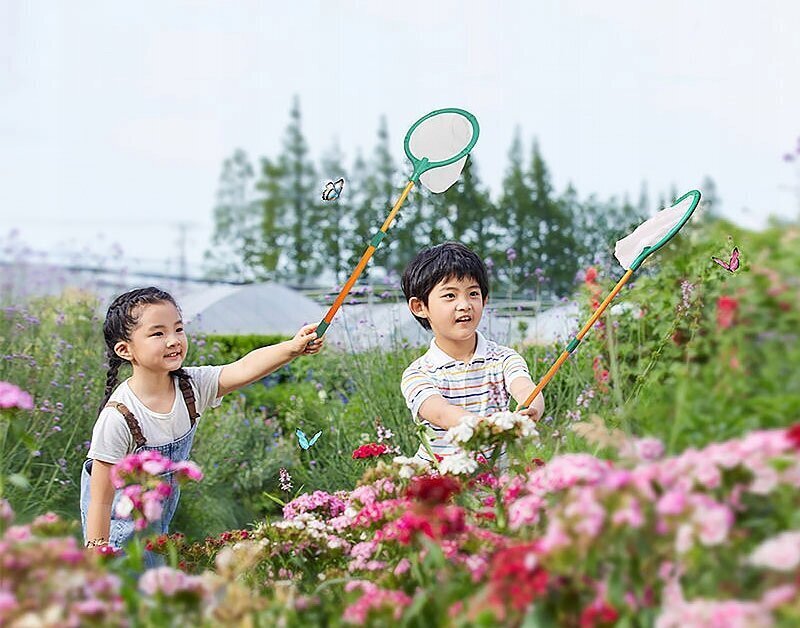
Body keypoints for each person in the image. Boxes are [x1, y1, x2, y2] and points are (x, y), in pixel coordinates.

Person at [80, 286, 323, 553]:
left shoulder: (190, 386)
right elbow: (100, 501)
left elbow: (243, 368)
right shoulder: (118, 417)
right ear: (125, 350)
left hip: (155, 527)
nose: (173, 340)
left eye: (178, 329)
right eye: (158, 333)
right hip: (116, 533)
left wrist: (292, 347)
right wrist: (97, 555)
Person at [400, 242, 544, 462]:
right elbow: (442, 413)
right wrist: (491, 428)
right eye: (450, 296)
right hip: (442, 485)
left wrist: (531, 409)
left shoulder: (504, 358)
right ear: (420, 307)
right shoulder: (417, 374)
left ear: (485, 300)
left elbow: (525, 387)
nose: (465, 304)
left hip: (497, 484)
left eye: (473, 294)